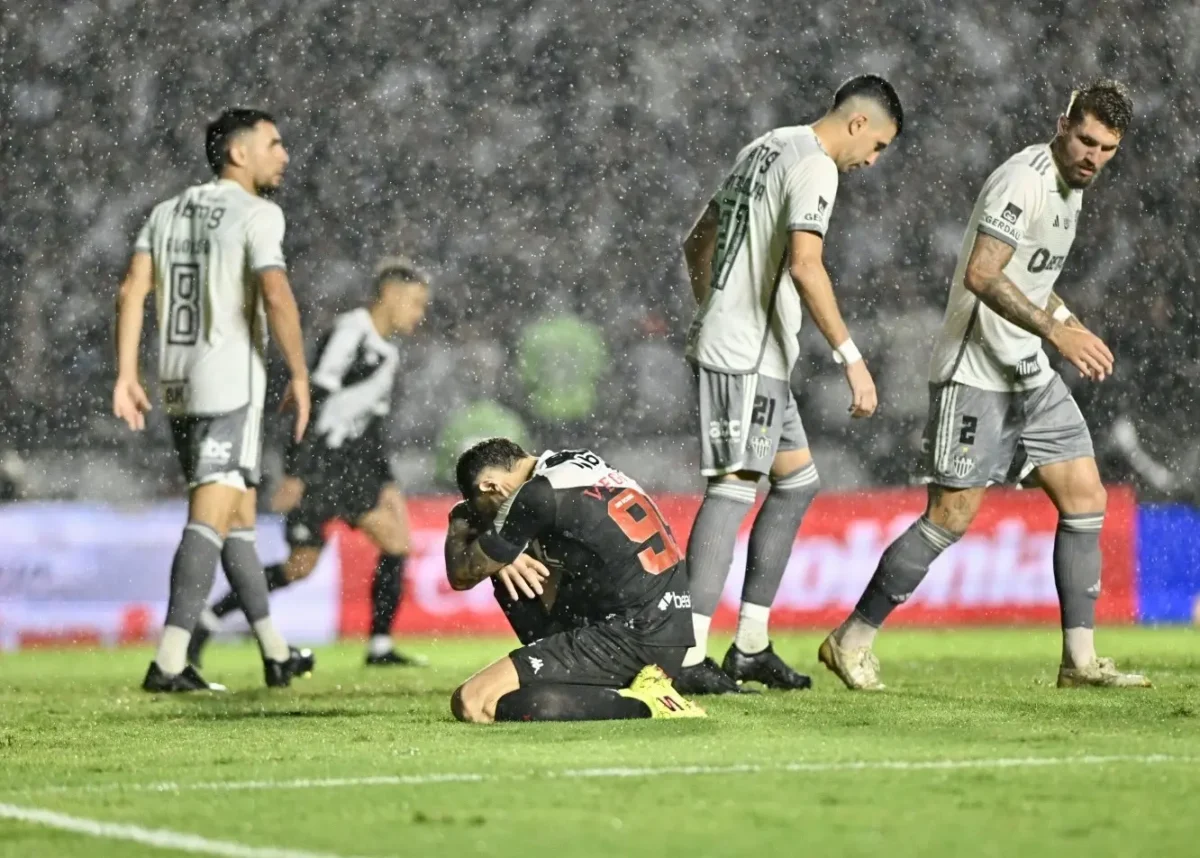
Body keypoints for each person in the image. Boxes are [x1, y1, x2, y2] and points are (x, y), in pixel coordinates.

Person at [820, 80, 1151, 690]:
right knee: (949, 517)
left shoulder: (1070, 192)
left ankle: (1079, 664)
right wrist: (1057, 331)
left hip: (1028, 373)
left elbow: (1029, 277)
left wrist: (1068, 324)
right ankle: (851, 638)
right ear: (1062, 124)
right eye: (1085, 141)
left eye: (1106, 149)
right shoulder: (1022, 181)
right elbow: (982, 272)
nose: (1092, 158)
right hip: (975, 374)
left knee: (1085, 497)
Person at [676, 75, 902, 694]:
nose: (873, 161)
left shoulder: (767, 145)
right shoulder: (816, 166)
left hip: (758, 352)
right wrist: (851, 357)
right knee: (731, 488)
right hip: (746, 353)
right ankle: (687, 654)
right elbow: (806, 263)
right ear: (857, 123)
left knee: (798, 481)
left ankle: (748, 644)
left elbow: (697, 238)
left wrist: (714, 303)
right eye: (878, 145)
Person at [112, 107, 314, 692]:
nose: (284, 155)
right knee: (208, 519)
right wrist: (299, 374)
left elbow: (132, 289)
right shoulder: (257, 213)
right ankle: (169, 661)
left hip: (177, 385)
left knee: (236, 521)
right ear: (238, 153)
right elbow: (276, 293)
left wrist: (127, 372)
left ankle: (275, 653)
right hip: (230, 385)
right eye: (274, 144)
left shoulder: (166, 211)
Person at [189, 258, 431, 668]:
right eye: (415, 303)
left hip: (349, 468)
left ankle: (379, 648)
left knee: (313, 562)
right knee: (313, 563)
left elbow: (368, 425)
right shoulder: (351, 332)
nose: (419, 314)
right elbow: (311, 399)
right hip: (323, 467)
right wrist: (297, 472)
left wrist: (386, 480)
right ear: (389, 295)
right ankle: (377, 648)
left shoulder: (386, 353)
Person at [444, 439, 704, 722]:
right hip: (665, 634)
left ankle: (646, 705)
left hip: (630, 636)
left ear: (489, 486)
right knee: (508, 570)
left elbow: (462, 574)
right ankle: (588, 679)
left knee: (475, 702)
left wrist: (459, 517)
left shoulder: (535, 495)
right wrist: (503, 558)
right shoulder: (576, 465)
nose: (490, 517)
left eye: (484, 508)